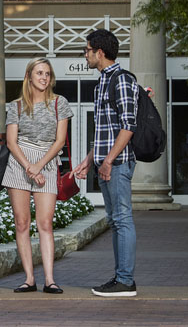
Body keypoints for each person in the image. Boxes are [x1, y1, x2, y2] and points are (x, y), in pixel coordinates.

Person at [72, 28, 138, 297]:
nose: (85, 55)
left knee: (122, 220)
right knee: (115, 221)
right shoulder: (102, 82)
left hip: (118, 163)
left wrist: (109, 161)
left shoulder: (121, 80)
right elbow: (102, 129)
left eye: (87, 50)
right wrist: (90, 160)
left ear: (100, 52)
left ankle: (125, 281)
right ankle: (120, 277)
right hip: (106, 163)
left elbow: (128, 126)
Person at [3, 58, 72, 294]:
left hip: (47, 160)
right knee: (22, 223)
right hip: (19, 163)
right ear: (29, 76)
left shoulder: (59, 103)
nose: (44, 77)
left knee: (45, 223)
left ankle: (50, 280)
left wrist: (39, 166)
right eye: (39, 73)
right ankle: (29, 279)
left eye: (47, 74)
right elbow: (11, 142)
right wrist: (29, 167)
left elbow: (60, 140)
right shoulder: (16, 106)